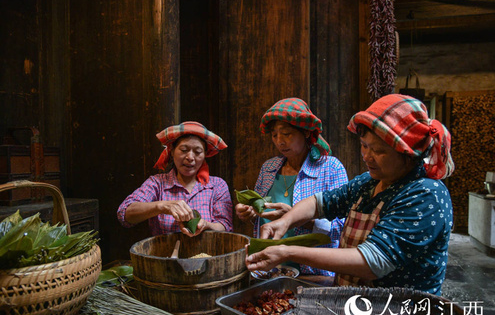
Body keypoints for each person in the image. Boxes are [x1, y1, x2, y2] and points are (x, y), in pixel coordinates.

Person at [246, 94, 455, 295]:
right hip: (356, 302)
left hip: (400, 313)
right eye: (364, 146)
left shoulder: (426, 195)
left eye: (378, 151)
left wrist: (288, 251)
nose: (366, 156)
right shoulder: (369, 182)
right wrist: (285, 222)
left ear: (408, 154)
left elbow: (372, 262)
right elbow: (321, 203)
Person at [235, 97, 348, 276]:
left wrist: (295, 218)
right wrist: (248, 211)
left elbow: (341, 228)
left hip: (313, 272)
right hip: (269, 270)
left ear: (304, 132)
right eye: (274, 135)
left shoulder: (330, 168)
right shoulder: (269, 168)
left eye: (287, 134)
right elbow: (262, 214)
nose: (280, 141)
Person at [118, 121, 233, 236]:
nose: (190, 157)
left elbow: (225, 226)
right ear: (172, 151)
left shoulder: (217, 185)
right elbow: (124, 214)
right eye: (183, 150)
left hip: (207, 253)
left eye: (198, 152)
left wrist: (207, 225)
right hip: (165, 253)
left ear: (204, 156)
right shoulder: (157, 183)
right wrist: (162, 206)